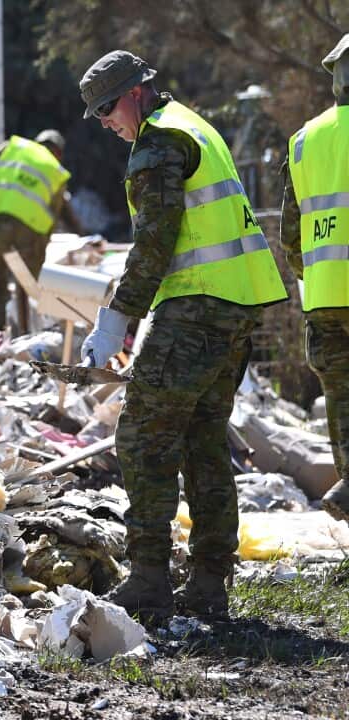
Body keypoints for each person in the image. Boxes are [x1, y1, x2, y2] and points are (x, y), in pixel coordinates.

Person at [78, 51, 287, 622]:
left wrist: (117, 317)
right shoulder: (194, 125)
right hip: (237, 302)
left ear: (136, 93)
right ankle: (209, 586)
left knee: (143, 437)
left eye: (106, 109)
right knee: (202, 439)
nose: (104, 122)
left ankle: (148, 581)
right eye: (95, 114)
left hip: (197, 305)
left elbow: (154, 242)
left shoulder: (158, 142)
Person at [279, 33, 349, 526]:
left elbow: (291, 233)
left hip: (324, 299)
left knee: (343, 420)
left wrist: (317, 276)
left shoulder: (304, 140)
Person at [0, 129, 78, 331]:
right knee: (28, 283)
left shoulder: (12, 147)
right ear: (59, 153)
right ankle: (27, 335)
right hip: (28, 233)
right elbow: (55, 212)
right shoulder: (55, 169)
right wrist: (41, 249)